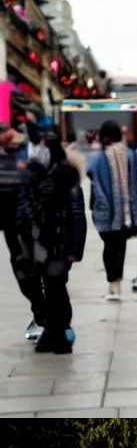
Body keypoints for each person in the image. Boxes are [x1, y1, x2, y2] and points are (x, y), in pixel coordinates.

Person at [16, 134, 86, 355]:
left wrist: (75, 249)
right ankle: (54, 331)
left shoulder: (66, 175)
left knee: (56, 287)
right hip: (38, 243)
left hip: (60, 244)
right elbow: (25, 205)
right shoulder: (34, 177)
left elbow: (77, 214)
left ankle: (59, 334)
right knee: (47, 287)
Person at [84, 118, 137, 305]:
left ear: (104, 137)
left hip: (105, 213)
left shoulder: (98, 158)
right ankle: (117, 281)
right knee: (120, 247)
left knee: (110, 247)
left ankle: (114, 284)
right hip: (127, 214)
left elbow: (89, 172)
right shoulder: (131, 155)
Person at [0, 118, 48, 338]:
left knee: (35, 269)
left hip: (32, 223)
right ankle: (40, 310)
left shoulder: (29, 153)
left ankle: (43, 315)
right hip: (10, 225)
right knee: (21, 271)